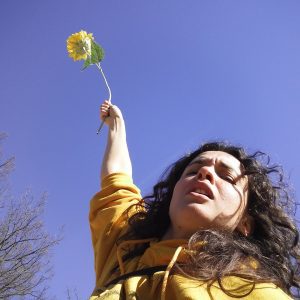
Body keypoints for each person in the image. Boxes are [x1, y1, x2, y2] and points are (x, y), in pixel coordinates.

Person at [89, 100, 299, 300]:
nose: (205, 172)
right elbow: (116, 179)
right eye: (193, 170)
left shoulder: (257, 291)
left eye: (226, 177)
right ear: (173, 194)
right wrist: (116, 124)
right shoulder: (123, 250)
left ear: (245, 224)